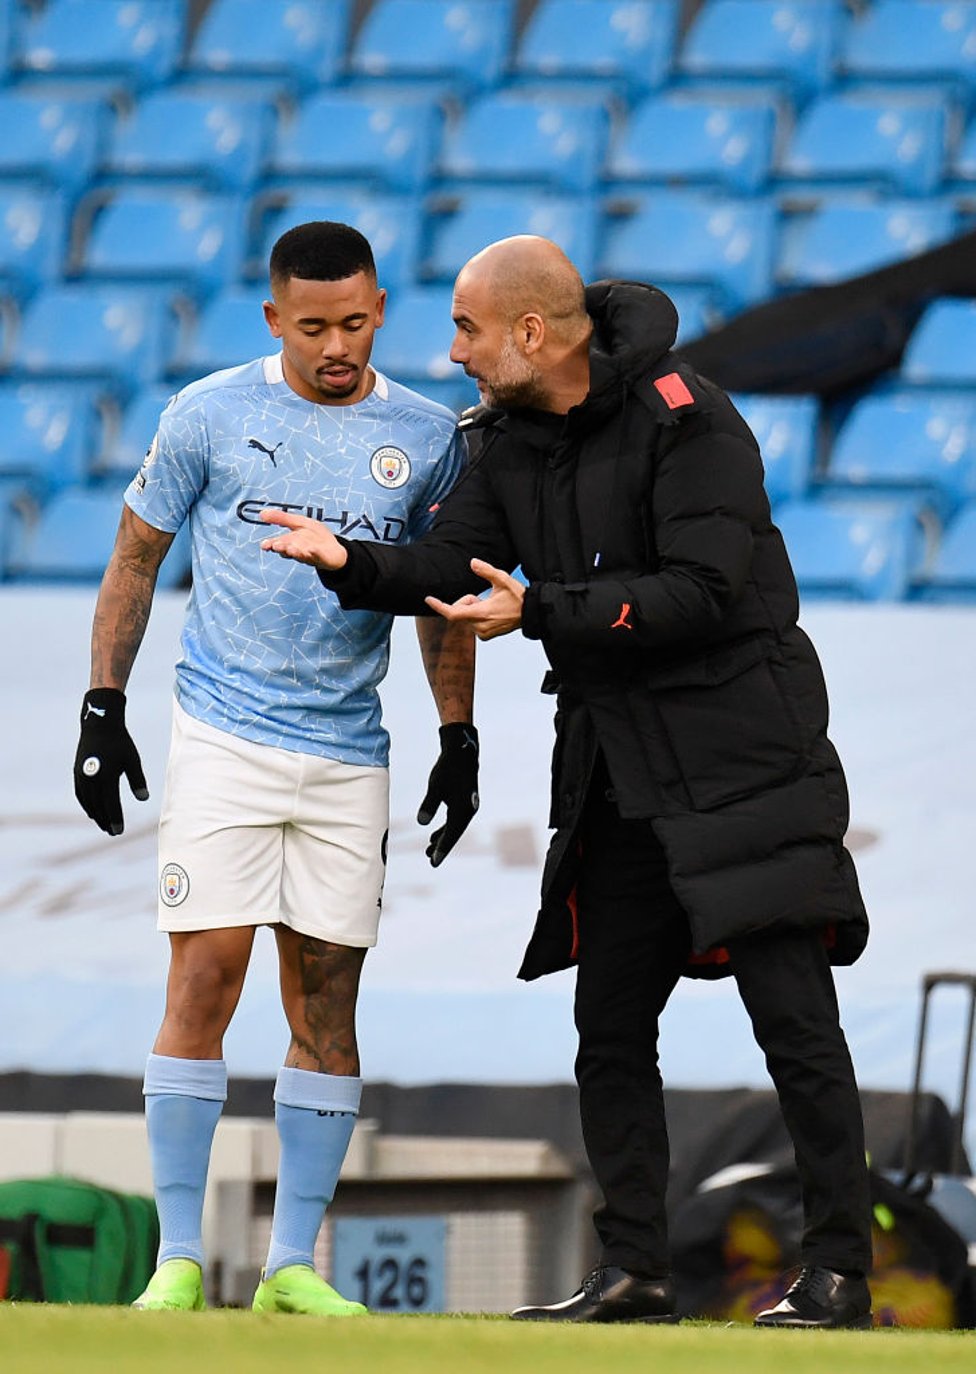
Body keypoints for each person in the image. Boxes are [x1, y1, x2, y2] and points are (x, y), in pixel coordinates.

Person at [258, 235, 876, 1330]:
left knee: (794, 1021)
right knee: (609, 1022)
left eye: (465, 328)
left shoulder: (690, 417)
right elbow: (458, 567)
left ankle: (836, 1273)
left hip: (743, 755)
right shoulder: (504, 439)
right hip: (618, 762)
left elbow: (697, 593)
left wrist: (538, 611)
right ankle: (634, 1272)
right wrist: (352, 561)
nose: (449, 352)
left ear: (531, 334)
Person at [72, 221, 479, 1316]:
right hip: (224, 734)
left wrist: (457, 734)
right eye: (312, 327)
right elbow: (134, 556)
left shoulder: (429, 436)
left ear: (382, 309)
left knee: (329, 1001)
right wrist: (103, 704)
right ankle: (178, 1260)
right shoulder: (210, 411)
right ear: (272, 321)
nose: (335, 345)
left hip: (349, 752)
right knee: (204, 976)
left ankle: (292, 1267)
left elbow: (440, 601)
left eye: (353, 322)